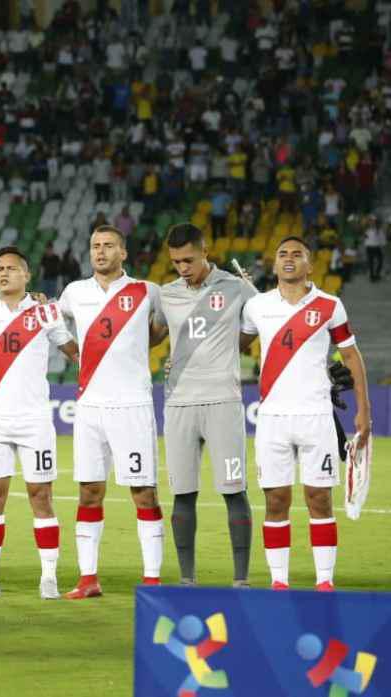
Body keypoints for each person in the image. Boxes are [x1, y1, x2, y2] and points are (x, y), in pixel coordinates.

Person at [240, 236, 371, 590]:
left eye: (297, 254)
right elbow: (237, 344)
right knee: (276, 500)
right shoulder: (257, 306)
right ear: (274, 263)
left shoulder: (330, 305)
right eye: (282, 253)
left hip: (316, 417)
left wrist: (364, 412)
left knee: (319, 498)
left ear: (310, 265)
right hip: (272, 419)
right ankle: (279, 582)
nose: (289, 258)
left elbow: (351, 357)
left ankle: (324, 582)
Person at [0, 247, 79, 599]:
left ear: (27, 275)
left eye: (11, 268)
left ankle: (48, 577)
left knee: (41, 496)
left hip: (34, 420)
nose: (3, 273)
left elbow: (73, 351)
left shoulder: (45, 311)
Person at [58, 225, 168, 599]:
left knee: (143, 493)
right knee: (88, 491)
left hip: (132, 405)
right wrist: (76, 354)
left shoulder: (147, 291)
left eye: (108, 246)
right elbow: (53, 326)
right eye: (95, 246)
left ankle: (152, 579)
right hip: (89, 406)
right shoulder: (74, 293)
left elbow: (159, 331)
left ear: (124, 252)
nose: (100, 252)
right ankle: (88, 579)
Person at [159, 224, 257, 587]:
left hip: (223, 402)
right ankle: (187, 579)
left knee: (234, 490)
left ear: (205, 252)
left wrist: (234, 345)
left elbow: (268, 320)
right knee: (182, 492)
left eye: (188, 259)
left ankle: (241, 579)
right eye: (175, 262)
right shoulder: (165, 294)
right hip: (179, 404)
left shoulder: (236, 287)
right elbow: (151, 334)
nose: (182, 267)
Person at [364, 217, 385, 282]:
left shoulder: (379, 230)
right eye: (371, 221)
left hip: (377, 247)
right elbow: (365, 238)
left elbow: (382, 238)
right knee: (371, 263)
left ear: (375, 222)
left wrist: (383, 246)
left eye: (373, 221)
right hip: (370, 247)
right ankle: (372, 276)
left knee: (380, 261)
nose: (372, 222)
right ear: (369, 222)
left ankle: (377, 274)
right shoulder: (367, 230)